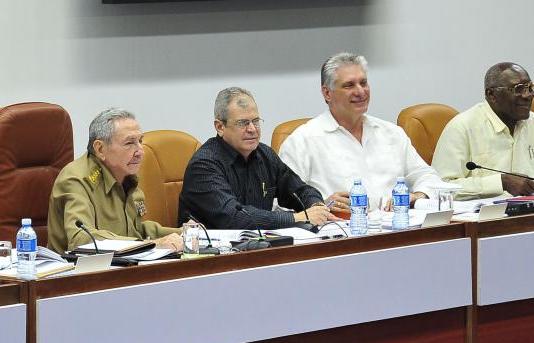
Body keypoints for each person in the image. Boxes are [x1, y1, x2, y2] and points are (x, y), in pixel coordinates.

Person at [279, 52, 443, 212]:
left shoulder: (391, 133)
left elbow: (427, 176)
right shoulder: (302, 141)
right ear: (327, 93)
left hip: (400, 224)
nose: (360, 91)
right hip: (341, 227)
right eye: (349, 85)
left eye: (363, 83)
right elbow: (282, 206)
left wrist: (418, 195)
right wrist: (320, 205)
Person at [178, 87, 336, 230]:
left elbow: (300, 190)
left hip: (261, 245)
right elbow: (235, 218)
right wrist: (298, 218)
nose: (252, 129)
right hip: (213, 250)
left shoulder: (264, 154)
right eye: (243, 123)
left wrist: (316, 206)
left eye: (255, 121)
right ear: (220, 127)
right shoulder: (204, 165)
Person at [47, 108, 183, 253]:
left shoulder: (126, 176)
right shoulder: (76, 180)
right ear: (100, 149)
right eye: (129, 143)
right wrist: (151, 244)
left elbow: (135, 230)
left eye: (140, 141)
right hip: (79, 266)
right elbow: (81, 239)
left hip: (122, 263)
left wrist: (183, 234)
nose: (140, 151)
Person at [432, 62, 534, 200]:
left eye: (530, 88)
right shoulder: (462, 127)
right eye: (518, 89)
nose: (527, 95)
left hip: (531, 211)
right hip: (484, 214)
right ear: (491, 95)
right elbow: (440, 187)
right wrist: (500, 182)